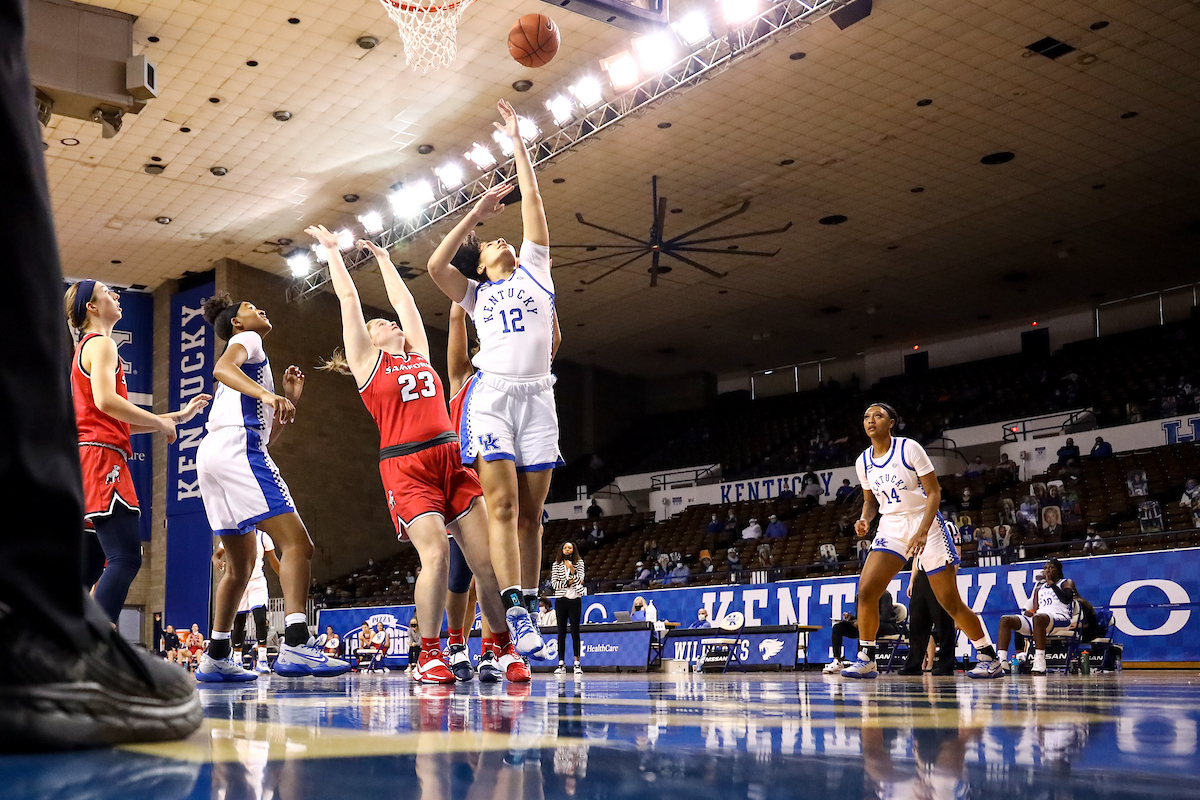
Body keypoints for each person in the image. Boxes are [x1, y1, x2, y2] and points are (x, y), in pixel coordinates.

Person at [308, 228, 522, 684]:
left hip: (451, 459)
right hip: (407, 466)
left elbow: (405, 303)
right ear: (369, 339)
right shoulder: (369, 364)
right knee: (437, 557)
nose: (390, 322)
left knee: (486, 563)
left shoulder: (419, 353)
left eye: (390, 321)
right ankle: (428, 654)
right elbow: (349, 301)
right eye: (380, 324)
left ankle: (500, 647)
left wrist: (385, 259)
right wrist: (332, 255)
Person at [427, 100, 561, 656]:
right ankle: (516, 613)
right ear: (480, 265)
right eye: (488, 245)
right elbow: (435, 268)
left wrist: (516, 141)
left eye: (501, 238)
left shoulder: (536, 268)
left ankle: (528, 604)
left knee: (531, 517)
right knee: (502, 507)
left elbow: (531, 199)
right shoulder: (477, 294)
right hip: (492, 397)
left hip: (539, 397)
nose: (499, 240)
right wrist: (473, 217)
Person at [192, 292, 348, 682]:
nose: (259, 307)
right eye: (249, 307)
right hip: (234, 447)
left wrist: (287, 398)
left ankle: (216, 655)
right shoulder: (248, 342)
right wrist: (269, 393)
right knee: (299, 544)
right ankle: (296, 641)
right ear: (236, 324)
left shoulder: (251, 369)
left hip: (213, 454)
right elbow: (222, 367)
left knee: (240, 566)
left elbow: (264, 441)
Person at [64, 280, 211, 623]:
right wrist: (162, 425)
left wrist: (176, 416)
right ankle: (96, 647)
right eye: (107, 292)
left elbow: (117, 421)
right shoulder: (101, 344)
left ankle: (51, 644)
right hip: (102, 460)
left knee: (87, 568)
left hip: (90, 458)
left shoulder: (88, 347)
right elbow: (106, 401)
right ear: (92, 306)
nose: (116, 296)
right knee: (126, 558)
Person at [842, 403, 1002, 679]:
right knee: (867, 591)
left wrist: (923, 531)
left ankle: (988, 655)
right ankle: (866, 657)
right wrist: (865, 519)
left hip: (925, 521)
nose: (871, 420)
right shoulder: (863, 461)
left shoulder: (909, 448)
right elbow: (870, 502)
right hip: (891, 525)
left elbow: (934, 493)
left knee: (949, 601)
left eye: (878, 416)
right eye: (867, 416)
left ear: (891, 422)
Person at [996, 558, 1088, 674]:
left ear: (1058, 570)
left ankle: (1039, 659)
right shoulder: (1039, 588)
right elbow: (1036, 608)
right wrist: (1031, 612)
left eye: (1051, 567)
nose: (1047, 570)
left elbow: (1066, 599)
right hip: (1040, 618)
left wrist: (1052, 584)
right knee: (1006, 620)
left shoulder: (1066, 582)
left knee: (1039, 618)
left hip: (1060, 618)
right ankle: (1002, 661)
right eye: (1045, 568)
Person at [214, 529, 278, 673]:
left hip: (257, 582)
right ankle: (237, 660)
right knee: (239, 622)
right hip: (240, 582)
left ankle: (262, 660)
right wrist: (217, 560)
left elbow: (274, 562)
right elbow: (216, 555)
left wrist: (285, 576)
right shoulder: (232, 536)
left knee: (260, 618)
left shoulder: (263, 536)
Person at [899, 562, 956, 675]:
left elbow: (956, 555)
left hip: (939, 571)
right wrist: (912, 581)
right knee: (917, 622)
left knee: (943, 621)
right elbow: (916, 558)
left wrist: (950, 579)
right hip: (921, 574)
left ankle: (946, 664)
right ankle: (914, 664)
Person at [823, 591, 898, 674]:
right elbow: (860, 616)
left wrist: (864, 621)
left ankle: (868, 660)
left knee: (868, 626)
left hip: (886, 625)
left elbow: (885, 617)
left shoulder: (884, 594)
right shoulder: (860, 596)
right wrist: (851, 618)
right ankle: (837, 661)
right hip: (865, 626)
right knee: (838, 627)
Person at [551, 541, 585, 675]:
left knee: (575, 631)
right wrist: (568, 582)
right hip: (561, 600)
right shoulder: (556, 564)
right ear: (561, 550)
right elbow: (554, 584)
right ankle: (561, 663)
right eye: (565, 547)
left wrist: (572, 569)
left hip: (575, 598)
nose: (567, 550)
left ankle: (577, 663)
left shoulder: (579, 563)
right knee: (561, 632)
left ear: (573, 550)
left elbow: (581, 579)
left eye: (569, 548)